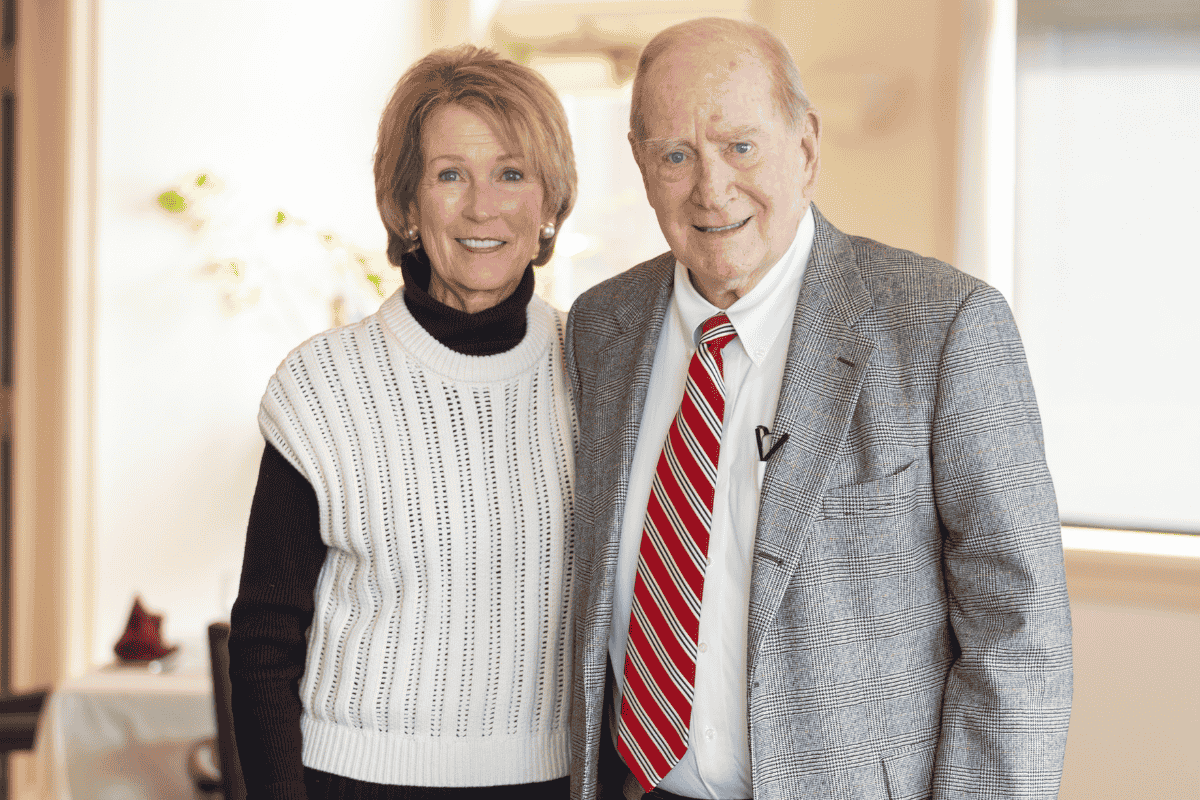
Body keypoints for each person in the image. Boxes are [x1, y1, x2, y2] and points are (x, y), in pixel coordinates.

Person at [566, 17, 1072, 800]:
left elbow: (1021, 635)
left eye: (741, 146)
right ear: (640, 162)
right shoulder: (602, 327)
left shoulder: (942, 326)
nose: (712, 188)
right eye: (676, 155)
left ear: (805, 146)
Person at [229, 44, 578, 800]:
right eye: (450, 174)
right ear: (405, 206)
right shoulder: (322, 387)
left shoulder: (599, 371)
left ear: (548, 203)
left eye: (511, 173)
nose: (483, 206)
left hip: (551, 783)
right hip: (349, 784)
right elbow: (263, 643)